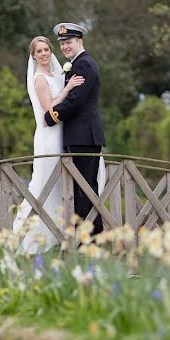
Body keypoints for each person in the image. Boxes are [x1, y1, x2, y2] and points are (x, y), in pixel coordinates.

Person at [12, 36, 84, 253]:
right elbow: (49, 109)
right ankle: (22, 239)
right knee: (43, 185)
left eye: (46, 50)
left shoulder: (56, 74)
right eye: (39, 51)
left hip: (63, 134)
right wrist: (68, 87)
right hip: (48, 137)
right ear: (33, 55)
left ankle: (57, 238)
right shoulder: (39, 79)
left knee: (61, 188)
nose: (44, 54)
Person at [43, 22, 107, 235]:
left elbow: (75, 101)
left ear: (80, 41)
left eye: (69, 42)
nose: (65, 47)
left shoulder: (84, 65)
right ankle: (93, 238)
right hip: (81, 136)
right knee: (85, 189)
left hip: (83, 136)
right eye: (62, 43)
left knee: (84, 191)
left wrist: (51, 117)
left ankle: (87, 240)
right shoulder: (78, 64)